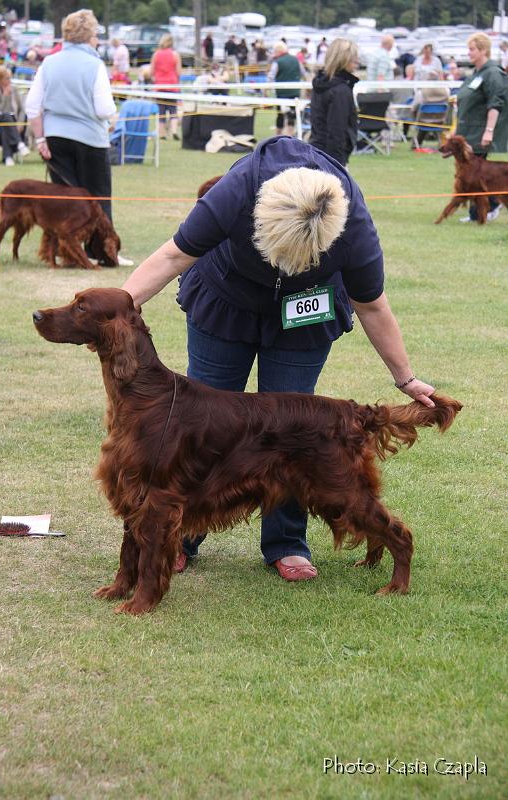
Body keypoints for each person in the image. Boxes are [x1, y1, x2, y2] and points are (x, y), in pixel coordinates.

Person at [121, 136, 436, 580]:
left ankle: (286, 542)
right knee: (199, 423)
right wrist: (116, 308)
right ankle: (181, 537)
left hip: (305, 311)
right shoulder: (235, 191)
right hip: (227, 298)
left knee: (294, 429)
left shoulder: (354, 228)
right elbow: (172, 256)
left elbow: (372, 305)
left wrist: (406, 380)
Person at [25, 9, 133, 267]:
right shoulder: (94, 64)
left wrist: (40, 140)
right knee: (98, 199)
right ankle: (102, 252)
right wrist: (113, 117)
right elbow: (104, 109)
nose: (97, 39)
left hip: (55, 139)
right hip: (91, 140)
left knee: (66, 199)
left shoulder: (49, 62)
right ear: (88, 36)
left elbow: (32, 106)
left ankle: (65, 250)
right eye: (96, 34)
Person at [455, 32, 508, 223]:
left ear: (484, 50)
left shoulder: (493, 73)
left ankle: (489, 208)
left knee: (480, 175)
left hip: (481, 132)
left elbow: (496, 103)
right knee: (473, 175)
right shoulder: (477, 73)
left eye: (472, 49)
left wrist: (489, 130)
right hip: (468, 131)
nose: (468, 53)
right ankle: (478, 212)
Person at [309, 38, 359, 166]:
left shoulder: (321, 84)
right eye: (353, 57)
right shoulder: (340, 91)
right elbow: (337, 131)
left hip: (317, 152)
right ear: (343, 59)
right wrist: (337, 165)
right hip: (331, 158)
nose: (357, 61)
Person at [0, 66, 30, 166]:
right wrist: (5, 96)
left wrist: (20, 123)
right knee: (5, 117)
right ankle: (19, 143)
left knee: (5, 125)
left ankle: (8, 157)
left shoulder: (14, 89)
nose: (9, 80)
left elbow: (21, 109)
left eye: (10, 78)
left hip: (10, 121)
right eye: (7, 78)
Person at [151, 33, 181, 141]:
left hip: (160, 86)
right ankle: (174, 131)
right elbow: (178, 72)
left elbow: (151, 72)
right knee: (173, 110)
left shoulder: (156, 55)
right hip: (172, 85)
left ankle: (162, 133)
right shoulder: (175, 54)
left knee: (161, 111)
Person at [268, 41, 301, 136]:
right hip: (295, 92)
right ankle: (290, 136)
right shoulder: (296, 60)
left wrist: (267, 88)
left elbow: (271, 76)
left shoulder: (278, 62)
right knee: (292, 115)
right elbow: (302, 73)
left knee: (280, 115)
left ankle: (278, 136)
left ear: (278, 51)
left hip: (281, 93)